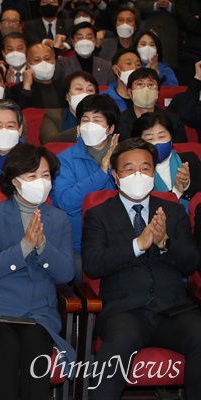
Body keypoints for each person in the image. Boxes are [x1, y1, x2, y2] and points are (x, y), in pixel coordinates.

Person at [82, 137, 201, 400]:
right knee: (119, 343)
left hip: (173, 310)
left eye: (146, 168)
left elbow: (192, 262)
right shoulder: (98, 215)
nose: (138, 174)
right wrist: (137, 245)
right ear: (115, 176)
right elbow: (92, 264)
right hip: (125, 310)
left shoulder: (172, 211)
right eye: (129, 169)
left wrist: (164, 242)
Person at [0, 143, 74, 400]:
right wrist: (24, 247)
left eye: (45, 176)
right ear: (15, 180)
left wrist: (42, 246)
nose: (40, 182)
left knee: (35, 347)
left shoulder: (59, 219)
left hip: (39, 311)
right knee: (6, 347)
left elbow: (66, 274)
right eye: (32, 176)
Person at [51, 94, 120, 280]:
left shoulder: (125, 158)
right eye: (85, 120)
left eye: (97, 120)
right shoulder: (64, 160)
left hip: (120, 240)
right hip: (79, 244)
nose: (90, 125)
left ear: (110, 128)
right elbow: (66, 202)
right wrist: (102, 173)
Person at [132, 111, 201, 210]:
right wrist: (176, 192)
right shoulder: (135, 171)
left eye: (161, 136)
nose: (157, 142)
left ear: (171, 137)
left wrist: (187, 185)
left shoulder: (189, 160)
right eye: (150, 139)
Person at [116, 68, 187, 142]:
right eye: (139, 84)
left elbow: (180, 149)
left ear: (158, 92)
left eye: (151, 85)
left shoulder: (173, 121)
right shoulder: (119, 122)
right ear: (130, 92)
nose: (146, 89)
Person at [40, 71, 98, 144]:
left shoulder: (103, 117)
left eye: (90, 90)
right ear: (67, 96)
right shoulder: (53, 115)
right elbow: (48, 140)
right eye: (79, 89)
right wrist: (80, 130)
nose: (85, 93)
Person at [6, 43, 64, 109]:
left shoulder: (63, 88)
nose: (43, 63)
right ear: (28, 65)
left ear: (54, 62)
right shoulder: (16, 90)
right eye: (37, 60)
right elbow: (17, 113)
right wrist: (26, 88)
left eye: (47, 59)